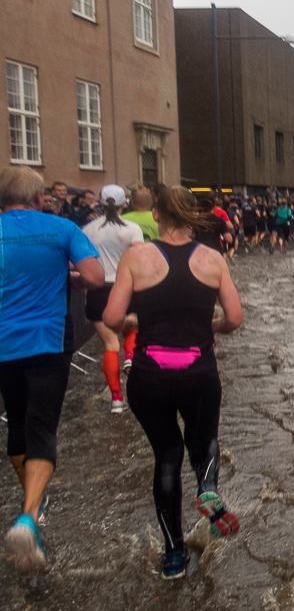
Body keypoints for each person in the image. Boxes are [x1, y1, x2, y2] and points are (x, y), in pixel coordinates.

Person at [103, 186, 243, 580]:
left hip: (150, 374)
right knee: (204, 438)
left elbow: (113, 318)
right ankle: (207, 486)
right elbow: (234, 318)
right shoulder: (212, 259)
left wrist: (135, 322)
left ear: (158, 216)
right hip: (199, 370)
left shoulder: (136, 256)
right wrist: (209, 325)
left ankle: (174, 556)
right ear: (192, 216)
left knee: (167, 455)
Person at [0, 167, 104, 572]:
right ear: (39, 197)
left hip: (4, 344)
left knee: (17, 423)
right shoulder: (60, 228)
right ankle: (30, 515)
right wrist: (67, 274)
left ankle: (32, 505)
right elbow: (95, 277)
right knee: (43, 426)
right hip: (47, 339)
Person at [82, 185, 144, 413]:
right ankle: (130, 356)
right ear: (124, 204)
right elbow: (139, 257)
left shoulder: (88, 229)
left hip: (99, 289)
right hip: (126, 286)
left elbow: (82, 260)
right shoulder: (132, 228)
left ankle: (116, 399)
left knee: (109, 344)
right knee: (131, 328)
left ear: (99, 202)